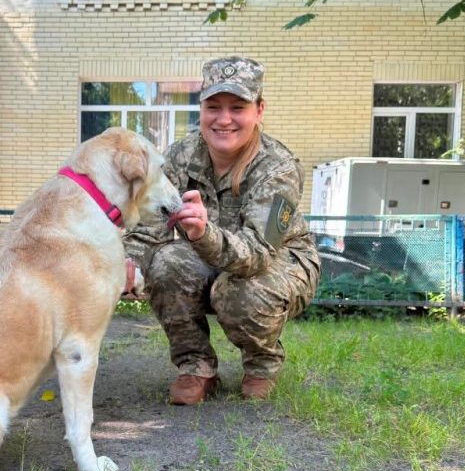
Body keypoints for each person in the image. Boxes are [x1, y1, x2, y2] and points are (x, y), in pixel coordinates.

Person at [123, 56, 320, 404]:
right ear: (201, 109)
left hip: (279, 263)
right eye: (213, 107)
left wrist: (203, 233)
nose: (224, 119)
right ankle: (196, 368)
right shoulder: (181, 155)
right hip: (208, 256)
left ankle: (261, 366)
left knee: (239, 289)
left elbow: (258, 254)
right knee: (166, 262)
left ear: (259, 110)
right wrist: (128, 260)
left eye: (237, 107)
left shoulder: (279, 167)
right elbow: (151, 220)